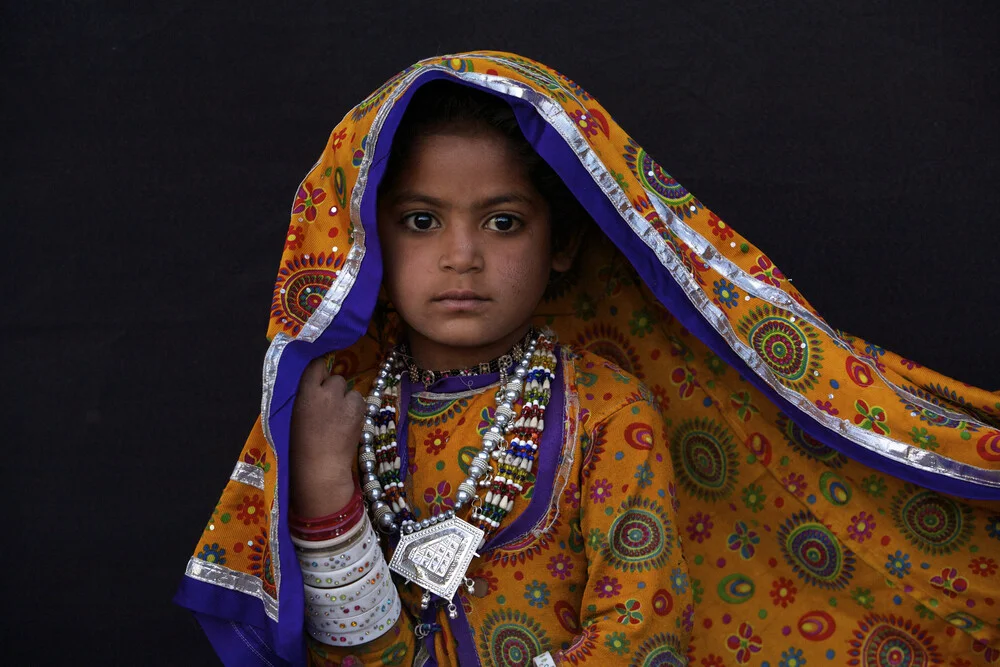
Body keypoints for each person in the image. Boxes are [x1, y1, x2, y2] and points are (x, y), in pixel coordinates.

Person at [175, 51, 1000, 666]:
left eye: (503, 222)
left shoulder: (606, 410)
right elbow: (363, 654)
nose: (461, 255)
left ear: (563, 242)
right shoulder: (345, 411)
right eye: (422, 221)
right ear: (368, 240)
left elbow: (643, 638)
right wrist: (324, 487)